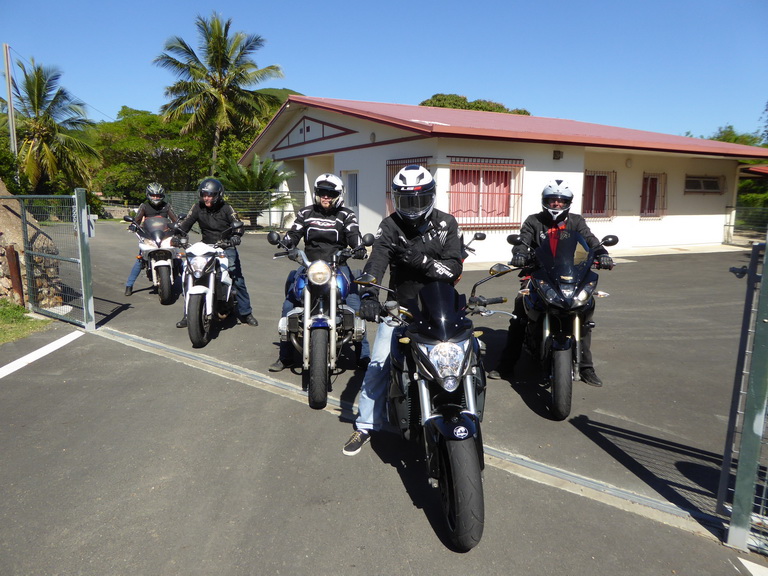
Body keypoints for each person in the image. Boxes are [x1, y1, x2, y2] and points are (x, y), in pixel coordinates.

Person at [342, 165, 463, 456]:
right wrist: (369, 294)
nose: (413, 207)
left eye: (419, 199)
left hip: (441, 307)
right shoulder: (390, 225)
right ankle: (366, 425)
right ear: (397, 199)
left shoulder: (447, 223)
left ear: (431, 196)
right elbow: (377, 261)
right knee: (378, 365)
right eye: (406, 200)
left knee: (465, 360)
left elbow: (453, 269)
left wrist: (417, 259)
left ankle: (463, 411)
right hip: (401, 308)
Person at [488, 179, 613, 387]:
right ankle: (506, 365)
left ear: (568, 202)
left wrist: (603, 254)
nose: (556, 204)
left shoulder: (576, 222)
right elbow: (523, 241)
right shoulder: (534, 221)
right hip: (538, 275)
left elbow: (590, 240)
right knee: (520, 311)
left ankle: (586, 368)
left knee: (584, 313)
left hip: (569, 275)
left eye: (561, 201)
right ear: (544, 201)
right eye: (552, 200)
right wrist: (519, 255)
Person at [269, 173, 370, 371]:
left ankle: (364, 356)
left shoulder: (346, 215)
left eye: (330, 193)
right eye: (322, 193)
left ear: (338, 195)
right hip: (310, 265)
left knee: (354, 305)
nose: (326, 197)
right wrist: (287, 244)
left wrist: (359, 247)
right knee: (289, 303)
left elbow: (353, 235)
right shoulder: (305, 213)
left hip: (337, 265)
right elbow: (294, 233)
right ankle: (286, 356)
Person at [173, 178, 259, 328]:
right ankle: (189, 314)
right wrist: (177, 235)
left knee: (236, 276)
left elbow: (238, 226)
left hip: (225, 246)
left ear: (219, 195)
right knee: (191, 274)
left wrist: (235, 237)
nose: (207, 198)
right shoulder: (197, 207)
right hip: (206, 246)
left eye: (210, 195)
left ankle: (246, 313)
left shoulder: (227, 208)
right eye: (204, 194)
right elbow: (185, 224)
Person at [124, 182, 179, 296]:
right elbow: (137, 220)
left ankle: (187, 282)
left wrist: (179, 224)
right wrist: (133, 225)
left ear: (162, 196)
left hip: (164, 236)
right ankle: (129, 285)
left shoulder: (166, 206)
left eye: (158, 195)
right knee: (140, 260)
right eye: (153, 195)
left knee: (178, 258)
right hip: (149, 236)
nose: (156, 197)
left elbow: (175, 219)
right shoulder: (144, 206)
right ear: (148, 195)